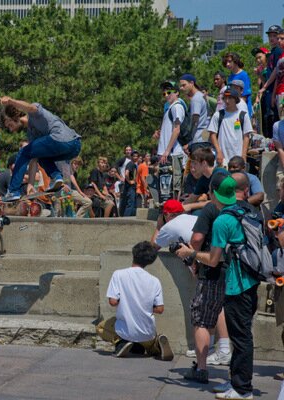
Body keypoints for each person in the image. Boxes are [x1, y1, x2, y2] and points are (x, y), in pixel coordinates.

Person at [176, 175, 259, 399]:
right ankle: (235, 382)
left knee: (241, 338)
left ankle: (242, 389)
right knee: (239, 336)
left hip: (236, 285)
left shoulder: (222, 220)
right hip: (250, 281)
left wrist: (190, 254)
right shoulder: (247, 211)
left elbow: (213, 259)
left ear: (212, 193)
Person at [96, 241, 173, 361]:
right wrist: (144, 305)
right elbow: (160, 309)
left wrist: (127, 302)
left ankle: (121, 343)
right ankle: (157, 344)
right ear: (150, 261)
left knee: (100, 327)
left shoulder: (119, 275)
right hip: (147, 332)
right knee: (149, 346)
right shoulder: (154, 281)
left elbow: (113, 302)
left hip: (125, 330)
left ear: (134, 254)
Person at [0, 97, 81, 202]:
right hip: (74, 148)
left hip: (62, 139)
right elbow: (34, 159)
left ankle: (13, 191)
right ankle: (56, 177)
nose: (11, 129)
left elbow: (30, 107)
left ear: (14, 118)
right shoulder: (31, 134)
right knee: (41, 156)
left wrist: (11, 102)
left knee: (23, 152)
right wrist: (30, 185)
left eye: (10, 125)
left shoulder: (34, 115)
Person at [154, 80, 185, 199]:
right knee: (165, 191)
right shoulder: (169, 109)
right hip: (165, 155)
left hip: (172, 154)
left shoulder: (177, 107)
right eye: (164, 93)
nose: (167, 95)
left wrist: (167, 150)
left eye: (169, 92)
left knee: (172, 190)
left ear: (177, 92)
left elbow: (177, 129)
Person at [208, 87, 252, 167]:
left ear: (235, 99)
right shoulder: (218, 115)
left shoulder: (243, 115)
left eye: (230, 98)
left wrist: (243, 155)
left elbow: (246, 136)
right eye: (225, 98)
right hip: (222, 158)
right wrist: (219, 152)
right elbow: (212, 134)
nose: (227, 101)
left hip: (238, 157)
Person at [180, 73, 209, 146]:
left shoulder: (196, 99)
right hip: (205, 136)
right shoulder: (201, 96)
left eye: (184, 85)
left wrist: (189, 142)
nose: (181, 88)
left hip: (198, 139)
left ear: (191, 83)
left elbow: (195, 120)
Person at [223, 52, 253, 117]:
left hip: (242, 111)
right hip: (233, 110)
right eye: (226, 62)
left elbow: (244, 96)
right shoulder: (230, 77)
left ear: (235, 61)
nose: (227, 64)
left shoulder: (244, 75)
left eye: (229, 61)